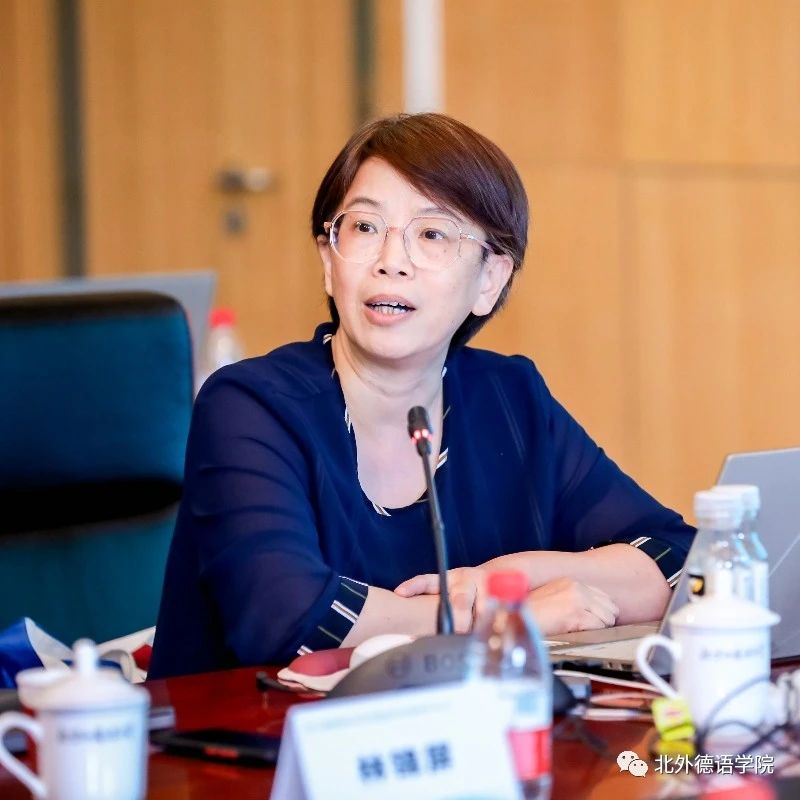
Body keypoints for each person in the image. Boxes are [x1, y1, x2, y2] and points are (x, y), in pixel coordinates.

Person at [149, 113, 694, 679]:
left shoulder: (510, 400)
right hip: (250, 732)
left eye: (432, 234)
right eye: (364, 227)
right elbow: (286, 618)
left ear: (490, 279)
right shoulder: (250, 406)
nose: (391, 261)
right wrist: (503, 618)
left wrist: (507, 579)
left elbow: (678, 561)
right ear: (329, 263)